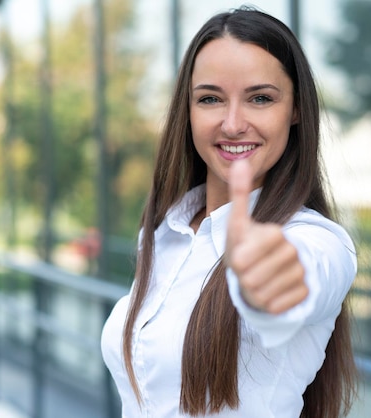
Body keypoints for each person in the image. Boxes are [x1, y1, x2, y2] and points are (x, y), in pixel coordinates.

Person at [101, 6, 357, 418]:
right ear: (187, 111)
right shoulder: (167, 231)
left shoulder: (317, 242)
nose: (233, 123)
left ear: (294, 110)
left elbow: (298, 281)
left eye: (260, 98)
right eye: (210, 99)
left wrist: (266, 279)